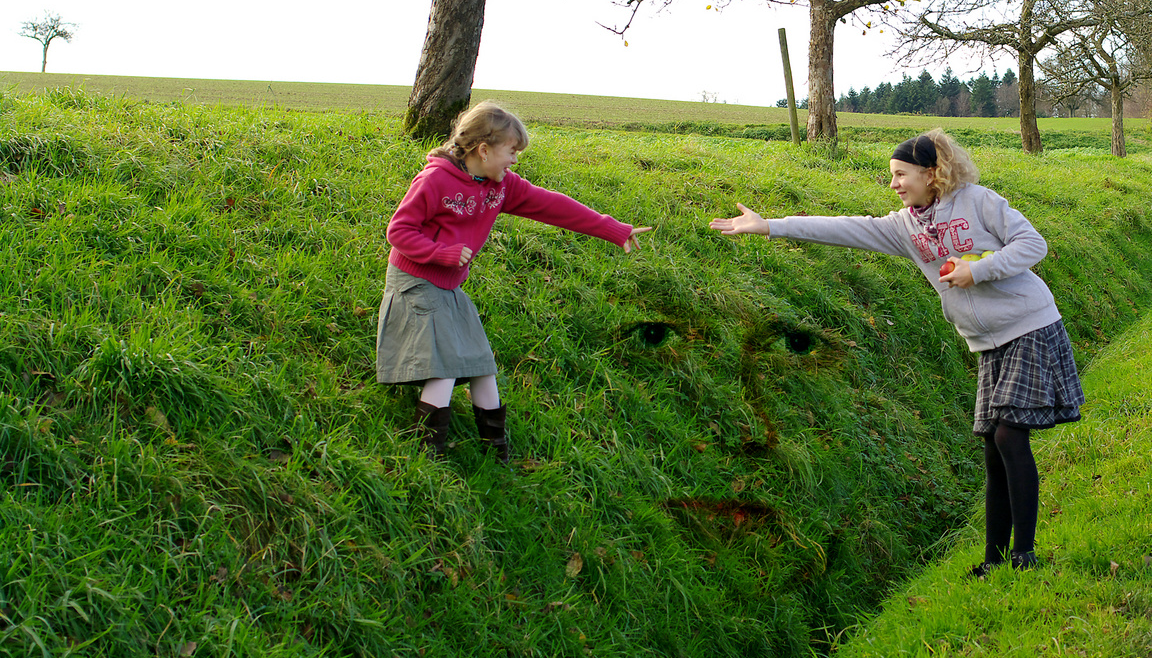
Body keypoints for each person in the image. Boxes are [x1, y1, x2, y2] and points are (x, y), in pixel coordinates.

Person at [708, 128, 1083, 576]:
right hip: (987, 342)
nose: (894, 184)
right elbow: (846, 228)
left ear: (931, 172)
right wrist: (770, 226)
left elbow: (1032, 244)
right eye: (892, 176)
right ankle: (995, 560)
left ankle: (1024, 555)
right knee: (992, 447)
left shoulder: (979, 201)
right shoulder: (905, 227)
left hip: (1029, 324)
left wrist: (978, 270)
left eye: (901, 175)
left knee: (1008, 434)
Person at [378, 101, 650, 463]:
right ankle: (424, 455)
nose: (515, 161)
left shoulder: (500, 186)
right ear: (484, 149)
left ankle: (497, 455)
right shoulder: (435, 180)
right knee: (444, 370)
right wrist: (441, 253)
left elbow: (553, 206)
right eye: (511, 151)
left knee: (482, 366)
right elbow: (398, 230)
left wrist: (612, 229)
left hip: (448, 287)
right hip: (416, 282)